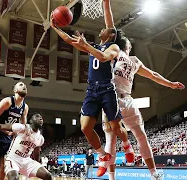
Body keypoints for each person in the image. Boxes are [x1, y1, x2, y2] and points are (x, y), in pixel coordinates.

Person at [50, 0, 133, 177]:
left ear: (110, 34)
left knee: (116, 128)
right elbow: (69, 40)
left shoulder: (114, 47)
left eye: (105, 29)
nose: (101, 29)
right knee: (85, 127)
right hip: (92, 90)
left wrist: (86, 45)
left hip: (107, 89)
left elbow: (103, 58)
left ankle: (127, 145)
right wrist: (55, 27)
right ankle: (103, 155)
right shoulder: (94, 46)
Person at [103, 36, 185, 180]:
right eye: (129, 46)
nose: (130, 48)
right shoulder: (116, 54)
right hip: (118, 99)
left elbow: (153, 74)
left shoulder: (132, 60)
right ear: (127, 46)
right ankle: (154, 174)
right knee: (140, 137)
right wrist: (170, 84)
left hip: (118, 99)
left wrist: (171, 84)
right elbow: (153, 75)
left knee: (112, 140)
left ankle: (113, 178)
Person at [0, 113, 52, 180]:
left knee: (48, 176)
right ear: (30, 121)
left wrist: (37, 164)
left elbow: (36, 151)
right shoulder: (22, 128)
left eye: (41, 117)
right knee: (14, 178)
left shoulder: (41, 138)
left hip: (26, 160)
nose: (40, 118)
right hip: (12, 159)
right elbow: (0, 126)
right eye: (37, 116)